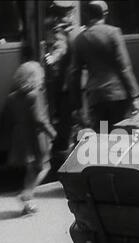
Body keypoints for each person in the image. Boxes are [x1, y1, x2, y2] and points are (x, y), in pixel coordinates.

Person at [70, 0, 139, 133]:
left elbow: (75, 73)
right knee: (120, 132)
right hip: (117, 95)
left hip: (96, 98)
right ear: (104, 14)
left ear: (88, 15)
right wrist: (135, 96)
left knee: (103, 134)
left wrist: (77, 105)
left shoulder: (80, 40)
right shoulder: (113, 33)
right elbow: (124, 67)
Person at [6, 61, 57, 214]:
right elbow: (40, 119)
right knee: (44, 167)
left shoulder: (12, 97)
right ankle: (28, 192)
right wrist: (52, 133)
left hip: (21, 136)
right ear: (36, 77)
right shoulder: (35, 95)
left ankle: (28, 205)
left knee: (30, 170)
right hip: (36, 136)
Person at [44, 0, 82, 154]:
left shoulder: (60, 31)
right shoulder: (75, 30)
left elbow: (61, 48)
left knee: (67, 116)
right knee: (75, 114)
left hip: (66, 82)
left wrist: (52, 58)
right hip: (76, 80)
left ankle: (66, 147)